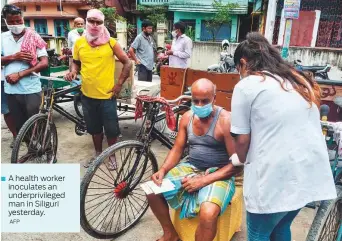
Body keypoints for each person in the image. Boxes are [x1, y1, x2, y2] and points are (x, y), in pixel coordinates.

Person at [230, 32, 337, 241]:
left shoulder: (247, 86)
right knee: (281, 227)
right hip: (308, 173)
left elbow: (241, 139)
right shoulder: (296, 80)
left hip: (274, 178)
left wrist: (238, 159)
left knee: (259, 233)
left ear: (243, 63)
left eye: (238, 69)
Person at [147, 78, 243, 241]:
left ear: (214, 97)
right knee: (151, 189)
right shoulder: (187, 117)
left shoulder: (226, 120)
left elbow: (237, 165)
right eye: (195, 100)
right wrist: (163, 170)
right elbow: (177, 149)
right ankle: (170, 234)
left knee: (207, 213)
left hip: (219, 173)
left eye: (204, 101)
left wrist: (203, 180)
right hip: (191, 167)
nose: (199, 105)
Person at [64, 9, 132, 168]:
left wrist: (119, 85)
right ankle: (98, 154)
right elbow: (76, 62)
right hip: (87, 95)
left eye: (98, 22)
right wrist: (73, 71)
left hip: (107, 96)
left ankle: (112, 156)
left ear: (103, 24)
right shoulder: (79, 43)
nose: (94, 25)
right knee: (94, 128)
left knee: (111, 130)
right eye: (91, 21)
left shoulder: (111, 42)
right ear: (86, 21)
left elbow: (127, 62)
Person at [1, 5, 48, 135]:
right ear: (5, 21)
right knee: (21, 127)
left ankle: (47, 150)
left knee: (35, 123)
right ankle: (31, 152)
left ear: (23, 19)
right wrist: (14, 57)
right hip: (11, 89)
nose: (15, 24)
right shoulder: (3, 37)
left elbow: (44, 63)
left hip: (30, 88)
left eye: (18, 21)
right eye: (11, 22)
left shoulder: (34, 36)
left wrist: (20, 74)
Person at [1, 67, 17, 148]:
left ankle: (30, 134)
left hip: (21, 76)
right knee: (5, 109)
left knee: (25, 107)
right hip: (2, 79)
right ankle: (15, 136)